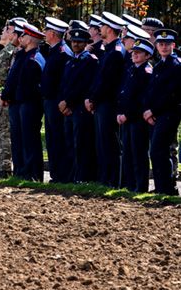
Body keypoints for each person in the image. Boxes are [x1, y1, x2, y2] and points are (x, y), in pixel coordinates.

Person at [85, 12, 127, 187]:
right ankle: (105, 178)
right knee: (102, 143)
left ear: (109, 29)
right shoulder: (108, 50)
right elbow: (99, 78)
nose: (99, 29)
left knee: (109, 144)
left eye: (102, 26)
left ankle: (112, 180)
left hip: (108, 104)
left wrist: (93, 98)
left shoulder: (116, 52)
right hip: (102, 103)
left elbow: (108, 82)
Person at [3, 23, 46, 181]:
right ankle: (21, 171)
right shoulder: (23, 56)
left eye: (24, 36)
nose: (20, 38)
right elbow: (13, 79)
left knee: (30, 140)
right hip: (18, 102)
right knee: (19, 139)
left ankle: (32, 174)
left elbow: (32, 86)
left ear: (30, 39)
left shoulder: (34, 59)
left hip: (29, 104)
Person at [143, 29, 181, 195]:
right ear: (156, 46)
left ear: (173, 45)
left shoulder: (175, 65)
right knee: (158, 151)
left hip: (169, 114)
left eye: (167, 44)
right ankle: (161, 186)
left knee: (160, 149)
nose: (164, 47)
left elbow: (172, 94)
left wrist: (152, 110)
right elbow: (151, 91)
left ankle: (167, 188)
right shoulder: (159, 65)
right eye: (161, 44)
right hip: (157, 114)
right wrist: (148, 111)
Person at [58, 28, 98, 183]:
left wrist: (68, 102)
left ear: (86, 43)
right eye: (73, 41)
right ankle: (72, 176)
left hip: (80, 109)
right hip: (69, 109)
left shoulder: (90, 60)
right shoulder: (71, 60)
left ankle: (83, 177)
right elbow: (64, 84)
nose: (75, 44)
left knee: (81, 144)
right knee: (70, 143)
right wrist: (63, 102)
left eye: (79, 42)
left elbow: (83, 86)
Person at [116, 39, 153, 193]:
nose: (135, 55)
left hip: (137, 120)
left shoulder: (146, 72)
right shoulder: (132, 69)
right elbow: (123, 93)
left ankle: (140, 186)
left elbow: (141, 100)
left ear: (147, 55)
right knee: (128, 153)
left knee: (138, 153)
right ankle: (130, 185)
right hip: (126, 118)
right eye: (134, 52)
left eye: (139, 53)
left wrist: (127, 115)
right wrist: (119, 112)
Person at [41, 17, 73, 183]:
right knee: (52, 139)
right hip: (49, 101)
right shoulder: (54, 51)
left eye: (46, 30)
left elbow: (65, 80)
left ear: (53, 33)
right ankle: (56, 174)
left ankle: (62, 175)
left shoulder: (62, 53)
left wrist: (64, 100)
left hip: (57, 102)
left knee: (58, 139)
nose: (44, 33)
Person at [0, 18, 23, 177]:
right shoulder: (7, 50)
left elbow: (7, 76)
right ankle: (1, 165)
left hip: (7, 97)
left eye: (8, 29)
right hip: (1, 95)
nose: (5, 32)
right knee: (0, 131)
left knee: (5, 132)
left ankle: (5, 168)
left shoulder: (13, 51)